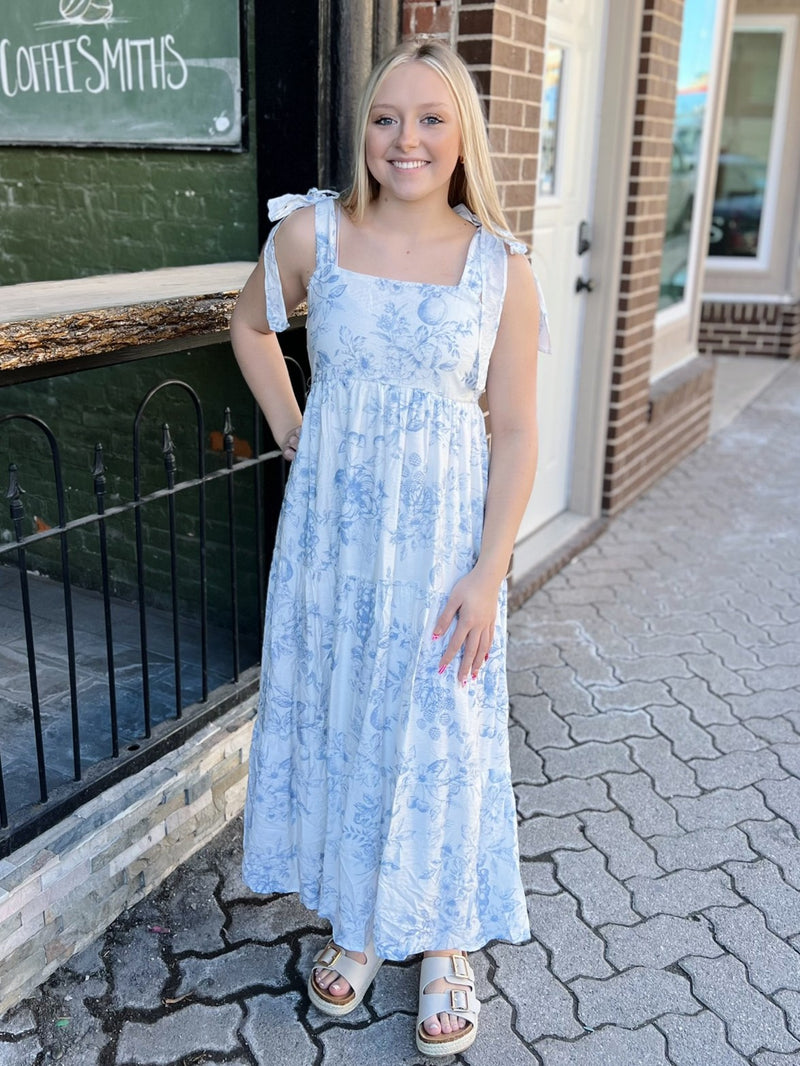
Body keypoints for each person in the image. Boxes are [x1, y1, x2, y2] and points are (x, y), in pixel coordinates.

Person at [230, 37, 550, 1058]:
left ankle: (446, 940)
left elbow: (515, 429)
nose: (402, 139)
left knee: (444, 736)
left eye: (428, 119)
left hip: (445, 550)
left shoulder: (501, 267)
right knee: (350, 716)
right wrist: (295, 430)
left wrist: (487, 574)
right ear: (362, 130)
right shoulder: (310, 233)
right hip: (333, 545)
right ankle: (364, 922)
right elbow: (246, 325)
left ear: (461, 138)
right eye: (383, 118)